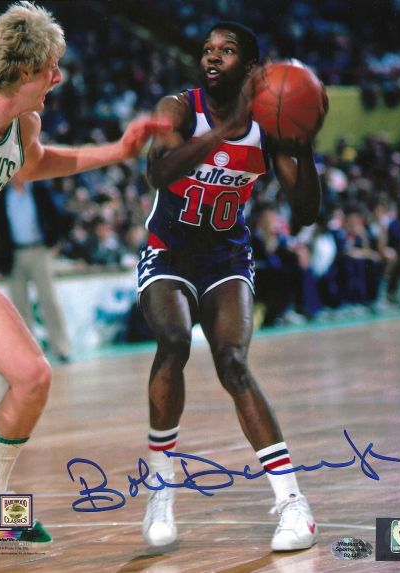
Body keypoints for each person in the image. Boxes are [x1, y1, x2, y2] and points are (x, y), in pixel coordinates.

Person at [0, 1, 170, 545]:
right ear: (23, 70)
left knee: (33, 376)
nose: (58, 78)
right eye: (50, 68)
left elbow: (35, 164)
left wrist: (119, 151)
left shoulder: (24, 125)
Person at [137, 21, 324, 552]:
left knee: (233, 364)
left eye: (227, 50)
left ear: (251, 67)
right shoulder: (179, 108)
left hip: (226, 259)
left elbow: (305, 211)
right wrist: (222, 133)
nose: (212, 57)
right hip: (168, 253)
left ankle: (294, 504)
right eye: (207, 49)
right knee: (174, 342)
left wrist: (304, 147)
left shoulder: (267, 126)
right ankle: (161, 488)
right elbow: (158, 172)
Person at [0, 175, 72, 362]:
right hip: (13, 255)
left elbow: (58, 215)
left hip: (39, 250)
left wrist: (54, 242)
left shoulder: (40, 189)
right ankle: (30, 353)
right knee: (19, 305)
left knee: (48, 299)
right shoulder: (0, 195)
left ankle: (61, 347)